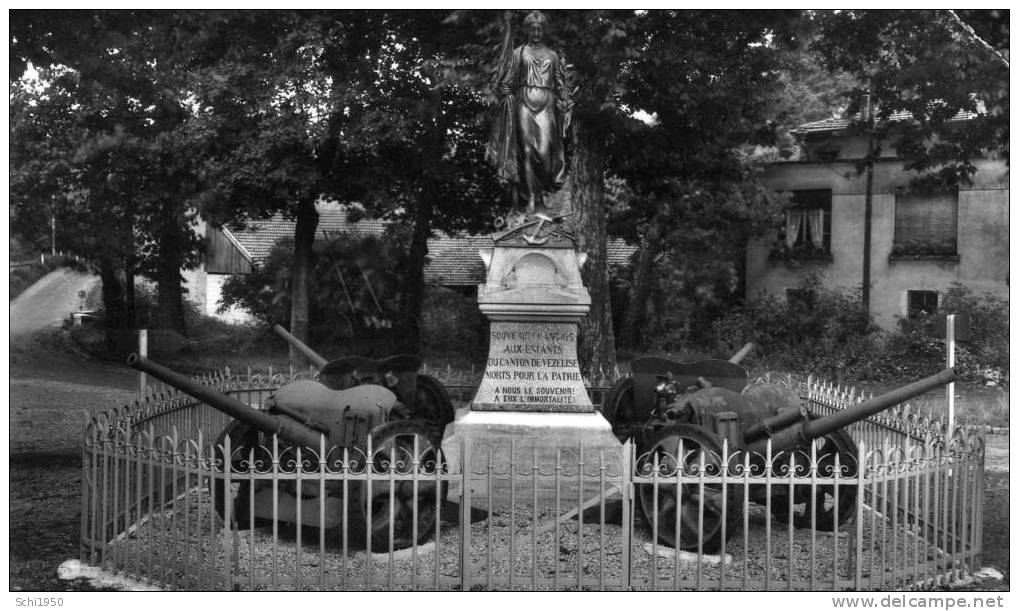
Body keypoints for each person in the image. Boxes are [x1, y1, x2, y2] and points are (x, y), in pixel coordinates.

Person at [487, 10, 573, 215]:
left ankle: (541, 194)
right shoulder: (519, 53)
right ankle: (533, 200)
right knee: (526, 152)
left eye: (539, 29)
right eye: (533, 29)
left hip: (547, 105)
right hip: (523, 103)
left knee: (544, 152)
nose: (536, 33)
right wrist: (505, 89)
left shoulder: (553, 56)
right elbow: (506, 79)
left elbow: (561, 86)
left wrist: (566, 103)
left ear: (544, 31)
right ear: (528, 30)